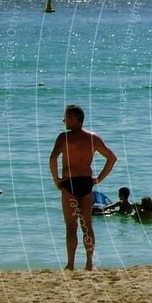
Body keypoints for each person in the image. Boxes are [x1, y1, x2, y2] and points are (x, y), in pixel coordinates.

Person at [49, 104, 117, 271]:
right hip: (86, 183)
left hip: (69, 183)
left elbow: (53, 159)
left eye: (66, 117)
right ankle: (89, 263)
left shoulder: (63, 138)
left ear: (74, 119)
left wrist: (56, 179)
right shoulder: (93, 138)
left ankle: (71, 264)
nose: (63, 120)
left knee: (71, 227)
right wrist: (98, 179)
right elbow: (112, 158)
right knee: (87, 224)